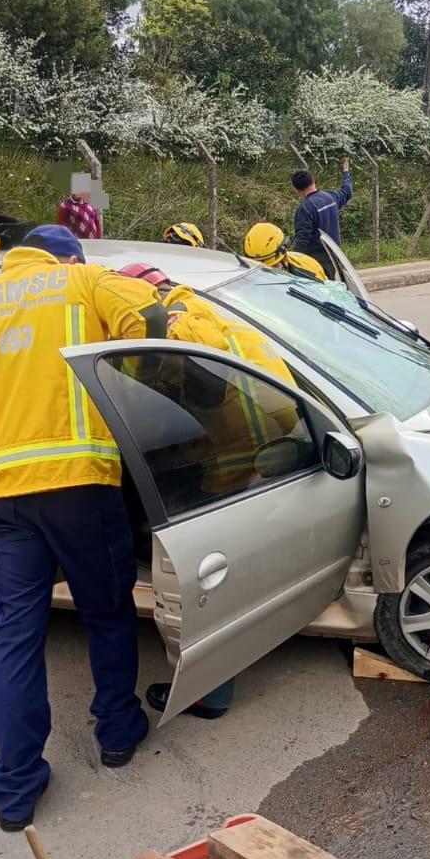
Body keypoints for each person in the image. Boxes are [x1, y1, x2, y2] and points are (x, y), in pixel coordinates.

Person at [0, 224, 168, 832]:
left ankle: (15, 787)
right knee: (105, 613)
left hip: (2, 497)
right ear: (68, 256)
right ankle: (117, 732)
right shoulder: (85, 280)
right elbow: (149, 325)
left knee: (16, 639)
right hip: (81, 486)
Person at [116, 262, 299, 721]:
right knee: (232, 577)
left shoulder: (170, 331)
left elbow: (145, 405)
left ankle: (208, 693)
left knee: (200, 582)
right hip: (279, 445)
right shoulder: (217, 312)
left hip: (232, 462)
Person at [291, 158, 352, 278]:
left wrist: (292, 261)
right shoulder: (330, 197)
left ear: (296, 189)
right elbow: (347, 191)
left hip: (315, 259)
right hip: (333, 253)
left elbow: (302, 239)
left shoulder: (305, 208)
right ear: (313, 180)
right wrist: (346, 173)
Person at [242, 222, 327, 280]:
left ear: (284, 258)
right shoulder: (241, 279)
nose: (269, 275)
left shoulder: (310, 270)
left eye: (274, 267)